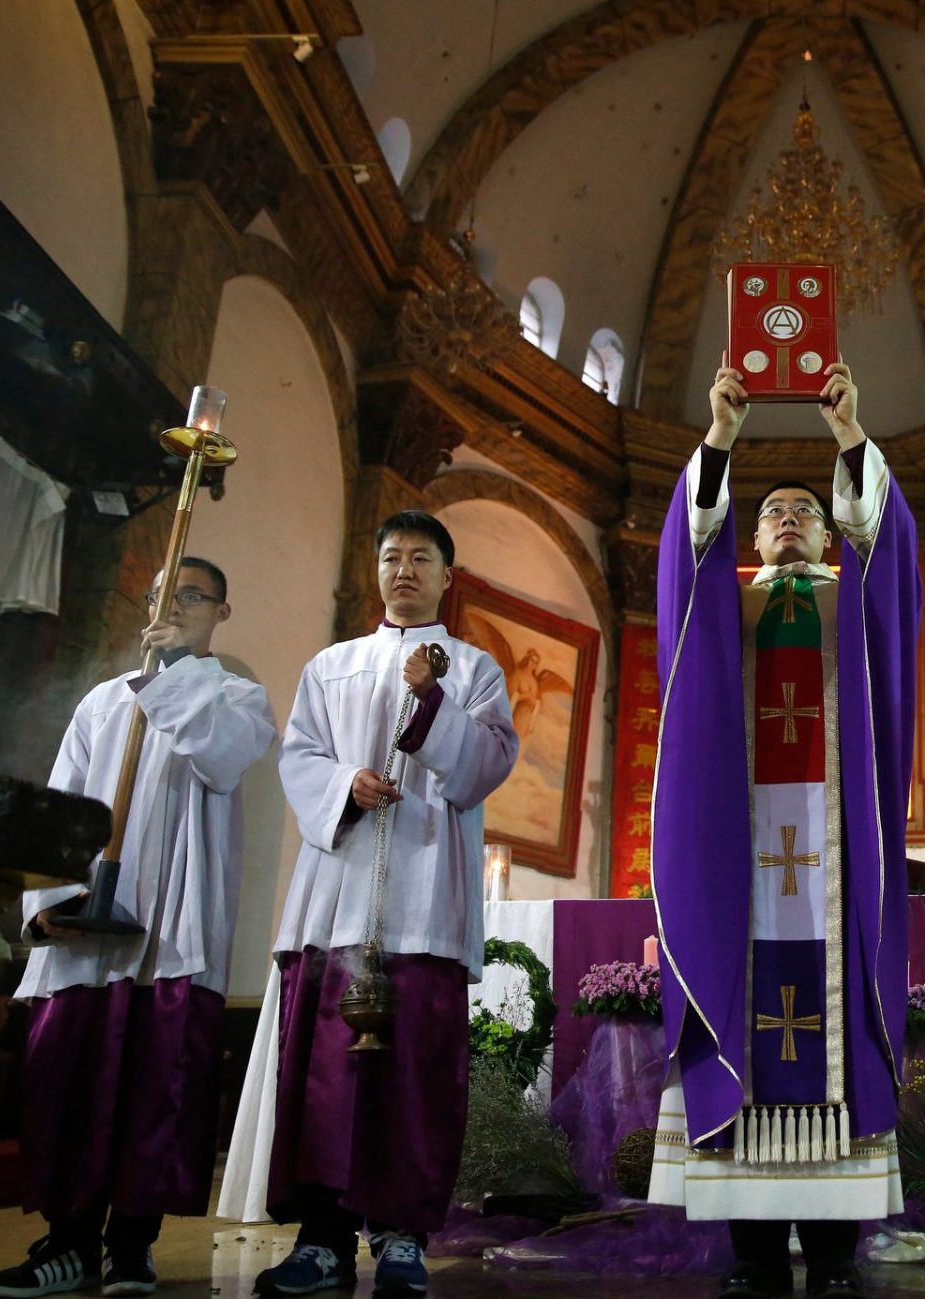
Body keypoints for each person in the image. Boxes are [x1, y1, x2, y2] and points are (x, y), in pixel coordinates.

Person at [647, 360, 919, 1299]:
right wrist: (720, 437)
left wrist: (850, 436)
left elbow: (892, 553)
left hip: (833, 859)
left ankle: (836, 1255)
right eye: (773, 512)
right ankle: (756, 1256)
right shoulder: (723, 606)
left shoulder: (854, 600)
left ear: (833, 528)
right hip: (744, 857)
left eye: (807, 508)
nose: (791, 518)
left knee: (836, 1019)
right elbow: (686, 549)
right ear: (750, 534)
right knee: (746, 1013)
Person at [0, 559, 276, 1298]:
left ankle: (133, 1245)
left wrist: (173, 675)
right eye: (160, 597)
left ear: (222, 611)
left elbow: (220, 759)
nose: (171, 608)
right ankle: (67, 1244)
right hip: (92, 932)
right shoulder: (101, 701)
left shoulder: (236, 697)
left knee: (155, 1090)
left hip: (171, 932)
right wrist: (50, 902)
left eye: (190, 596)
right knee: (72, 1086)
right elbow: (63, 801)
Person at [256, 512, 518, 1298]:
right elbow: (299, 755)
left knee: (412, 1080)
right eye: (392, 557)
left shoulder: (474, 669)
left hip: (426, 902)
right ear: (376, 571)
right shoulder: (329, 665)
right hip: (336, 899)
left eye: (421, 558)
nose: (404, 569)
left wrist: (431, 700)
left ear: (447, 576)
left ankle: (403, 1238)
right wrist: (345, 784)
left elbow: (486, 764)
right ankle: (322, 1240)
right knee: (325, 1078)